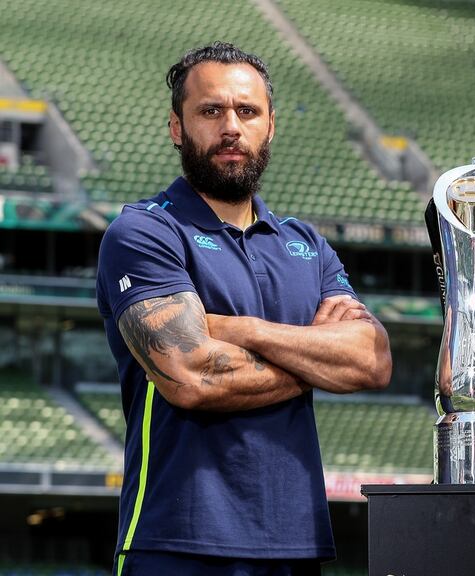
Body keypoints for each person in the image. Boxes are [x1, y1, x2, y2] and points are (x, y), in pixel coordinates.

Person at [96, 42, 392, 576]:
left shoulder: (307, 245)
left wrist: (244, 330)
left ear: (270, 126)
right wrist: (316, 361)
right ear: (176, 128)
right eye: (211, 111)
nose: (231, 126)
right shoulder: (144, 231)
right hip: (176, 539)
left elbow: (372, 361)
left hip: (297, 544)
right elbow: (191, 376)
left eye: (247, 111)